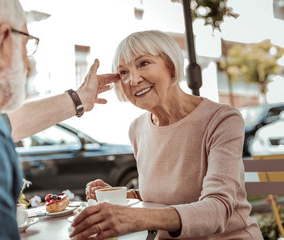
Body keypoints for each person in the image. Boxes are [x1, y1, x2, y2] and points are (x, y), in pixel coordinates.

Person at [0, 1, 118, 239]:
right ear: (3, 41)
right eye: (27, 45)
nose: (27, 64)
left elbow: (5, 123)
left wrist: (79, 99)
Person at [70, 30, 263, 240]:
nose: (133, 80)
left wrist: (137, 217)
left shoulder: (222, 119)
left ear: (170, 65)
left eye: (144, 63)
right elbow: (165, 196)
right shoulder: (137, 129)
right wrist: (122, 197)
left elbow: (217, 210)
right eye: (123, 72)